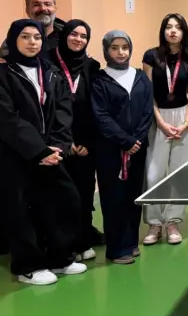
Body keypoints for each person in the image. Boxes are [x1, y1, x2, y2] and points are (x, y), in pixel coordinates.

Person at [0, 19, 85, 285]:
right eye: (25, 37)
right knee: (21, 211)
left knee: (63, 201)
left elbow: (63, 112)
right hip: (17, 155)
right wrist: (38, 150)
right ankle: (29, 266)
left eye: (36, 37)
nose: (32, 42)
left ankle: (60, 258)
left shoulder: (50, 72)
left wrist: (59, 146)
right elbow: (8, 118)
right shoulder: (4, 74)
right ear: (13, 40)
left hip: (51, 153)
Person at [91, 31, 154, 264]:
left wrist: (136, 140)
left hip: (137, 148)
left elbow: (147, 110)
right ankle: (117, 248)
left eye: (125, 47)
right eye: (114, 48)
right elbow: (101, 116)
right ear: (106, 50)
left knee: (133, 196)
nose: (120, 52)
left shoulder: (140, 77)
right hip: (110, 150)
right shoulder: (99, 80)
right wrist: (124, 140)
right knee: (113, 198)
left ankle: (131, 242)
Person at [142, 13, 188, 246]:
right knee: (154, 173)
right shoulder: (151, 56)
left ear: (184, 32)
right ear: (163, 31)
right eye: (168, 27)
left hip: (184, 117)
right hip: (158, 117)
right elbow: (148, 94)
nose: (173, 31)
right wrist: (160, 122)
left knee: (179, 173)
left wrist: (185, 123)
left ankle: (173, 221)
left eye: (178, 27)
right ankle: (154, 223)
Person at [51, 19, 102, 261]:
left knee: (84, 193)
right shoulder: (49, 63)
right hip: (58, 142)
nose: (78, 39)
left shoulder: (92, 66)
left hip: (85, 144)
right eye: (74, 34)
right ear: (65, 36)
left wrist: (86, 143)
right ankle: (65, 245)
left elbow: (95, 107)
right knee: (61, 197)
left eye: (84, 36)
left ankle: (83, 240)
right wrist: (66, 143)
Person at [0, 0, 66, 64]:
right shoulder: (14, 39)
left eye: (47, 4)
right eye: (36, 5)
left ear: (55, 8)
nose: (43, 8)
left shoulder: (69, 36)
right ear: (27, 10)